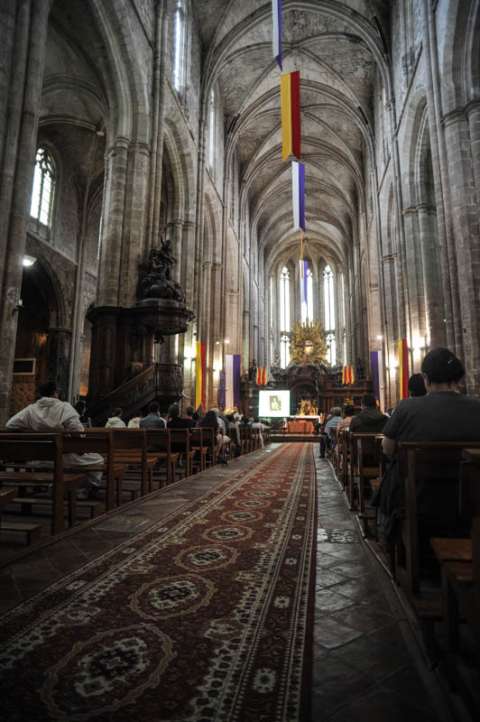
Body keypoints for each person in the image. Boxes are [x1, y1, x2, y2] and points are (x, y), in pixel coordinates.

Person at [377, 347, 480, 543]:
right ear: (459, 377)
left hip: (419, 500)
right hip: (472, 503)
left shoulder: (407, 406)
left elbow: (387, 449)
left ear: (426, 378)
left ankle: (390, 535)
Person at [6, 381, 103, 499]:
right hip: (63, 456)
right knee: (98, 460)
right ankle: (84, 490)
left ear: (41, 394)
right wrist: (80, 447)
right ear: (56, 393)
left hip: (38, 459)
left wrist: (29, 431)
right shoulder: (64, 407)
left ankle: (55, 486)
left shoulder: (30, 410)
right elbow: (76, 430)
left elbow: (10, 425)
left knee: (76, 459)